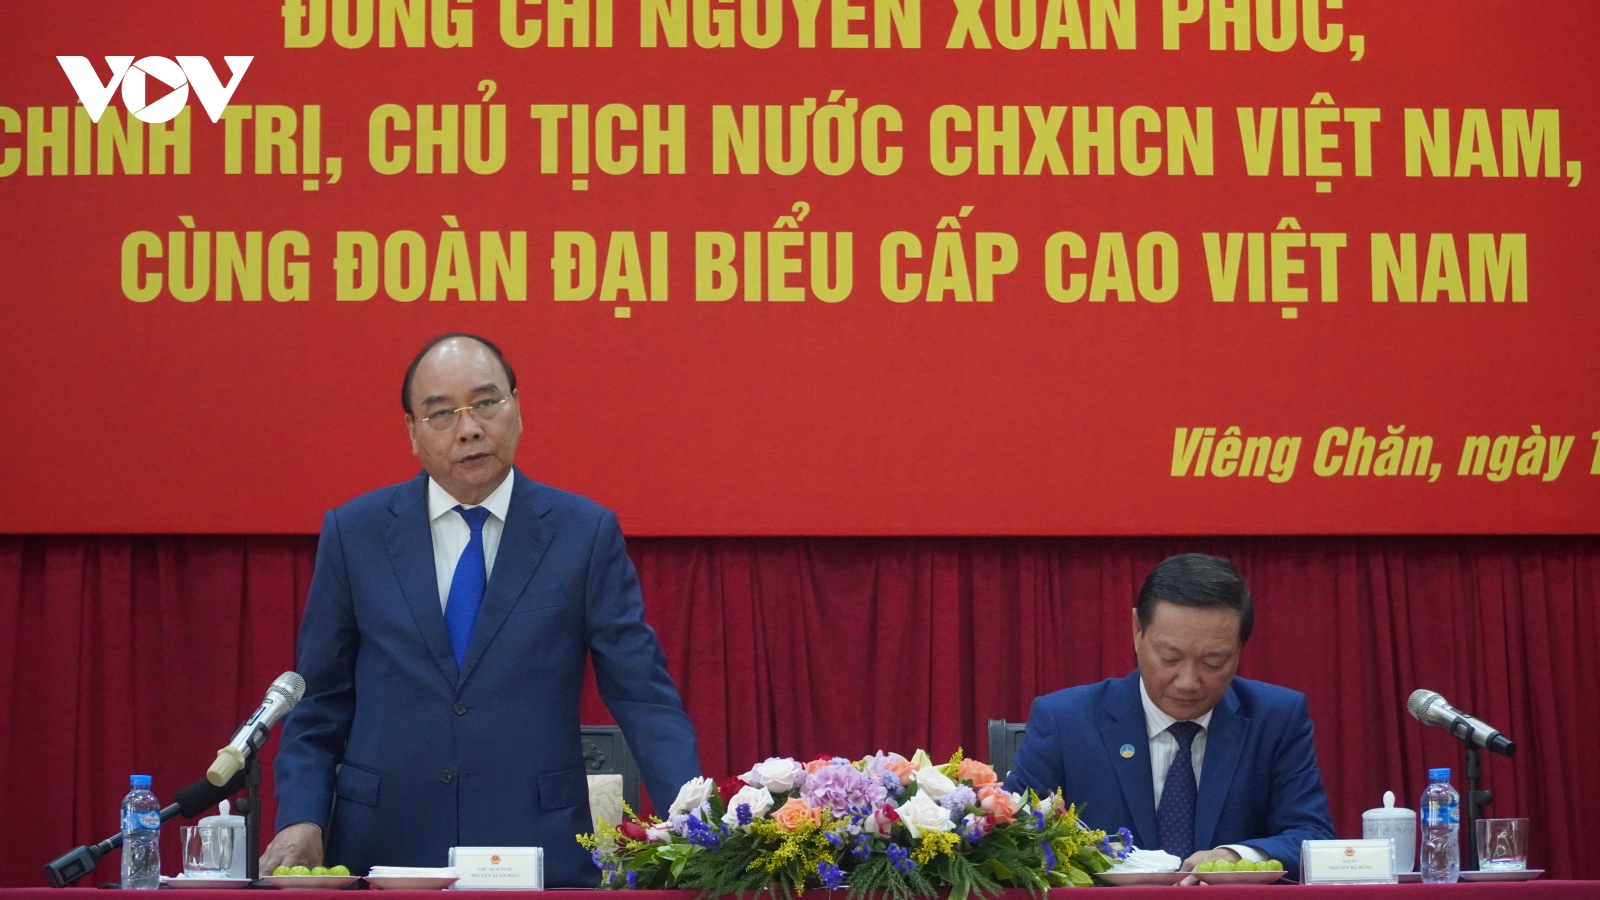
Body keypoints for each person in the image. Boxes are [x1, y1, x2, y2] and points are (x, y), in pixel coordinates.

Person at [262, 333, 700, 885]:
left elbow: (642, 695)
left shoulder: (582, 533)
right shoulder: (356, 534)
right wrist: (301, 815)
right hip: (384, 846)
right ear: (413, 431)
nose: (468, 428)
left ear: (517, 408)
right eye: (441, 413)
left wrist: (697, 823)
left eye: (486, 403)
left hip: (536, 847)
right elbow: (318, 700)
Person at [1003, 553, 1334, 879]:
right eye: (1169, 657)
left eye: (1214, 662)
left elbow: (1312, 838)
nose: (1188, 682)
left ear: (1239, 650)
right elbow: (1012, 840)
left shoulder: (1276, 718)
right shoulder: (1065, 721)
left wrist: (1237, 857)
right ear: (1137, 630)